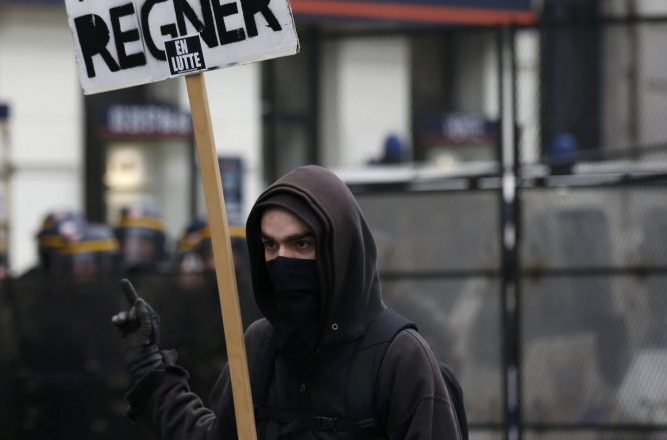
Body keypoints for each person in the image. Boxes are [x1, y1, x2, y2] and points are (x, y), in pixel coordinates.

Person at [111, 165, 461, 439]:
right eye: (270, 245)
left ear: (339, 248)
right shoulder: (260, 346)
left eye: (301, 244)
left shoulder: (399, 356)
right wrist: (150, 369)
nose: (282, 259)